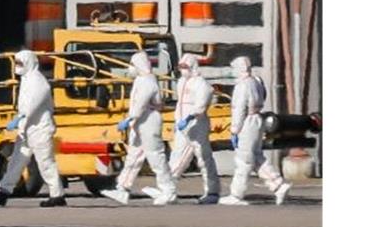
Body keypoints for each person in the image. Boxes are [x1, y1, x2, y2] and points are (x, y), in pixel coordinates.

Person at [101, 50, 177, 205]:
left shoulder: (148, 81)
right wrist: (132, 121)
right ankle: (122, 188)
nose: (130, 68)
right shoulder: (141, 80)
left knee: (156, 156)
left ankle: (168, 190)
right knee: (133, 157)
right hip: (140, 122)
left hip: (148, 121)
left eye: (132, 65)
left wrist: (129, 119)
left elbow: (141, 104)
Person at [0, 50, 65, 207]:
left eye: (20, 63)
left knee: (45, 162)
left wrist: (19, 119)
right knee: (17, 161)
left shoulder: (39, 82)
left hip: (39, 129)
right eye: (16, 63)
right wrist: (21, 124)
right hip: (27, 130)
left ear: (29, 62)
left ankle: (57, 195)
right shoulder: (26, 79)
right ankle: (3, 190)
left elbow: (32, 107)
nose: (17, 66)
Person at [144, 53, 220, 204]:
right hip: (182, 125)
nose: (183, 70)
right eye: (181, 67)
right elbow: (181, 104)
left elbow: (201, 105)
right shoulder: (181, 82)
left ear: (192, 67)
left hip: (196, 126)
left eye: (185, 67)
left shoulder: (201, 84)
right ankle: (167, 188)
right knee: (176, 156)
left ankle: (212, 191)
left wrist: (190, 118)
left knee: (203, 158)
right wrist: (179, 120)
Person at [220, 55, 292, 206]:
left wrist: (234, 130)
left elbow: (239, 109)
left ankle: (236, 194)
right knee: (257, 157)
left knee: (243, 160)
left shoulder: (242, 86)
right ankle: (278, 184)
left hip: (247, 122)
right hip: (257, 119)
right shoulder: (256, 81)